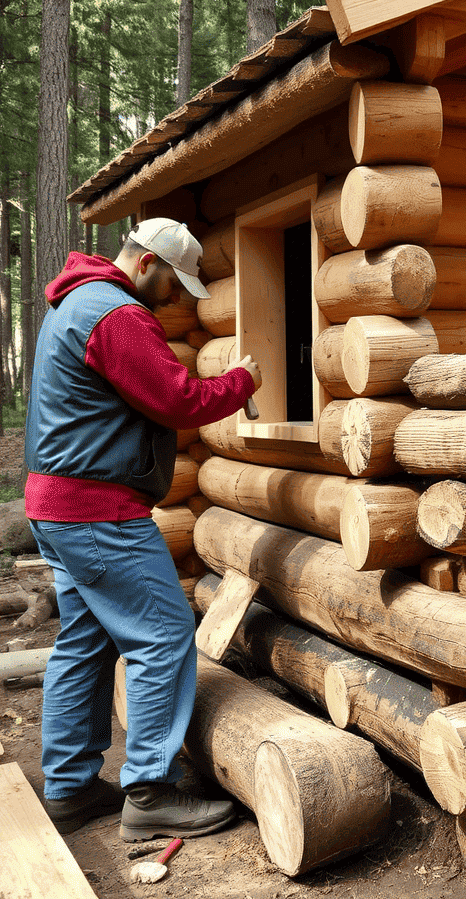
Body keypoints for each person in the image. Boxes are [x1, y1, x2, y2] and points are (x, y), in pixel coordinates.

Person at [25, 218, 261, 840]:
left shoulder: (76, 303)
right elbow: (176, 399)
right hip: (96, 512)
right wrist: (242, 383)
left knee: (86, 641)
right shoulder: (115, 313)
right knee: (163, 632)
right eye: (174, 282)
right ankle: (150, 793)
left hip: (57, 505)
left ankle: (70, 791)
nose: (177, 297)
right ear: (148, 261)